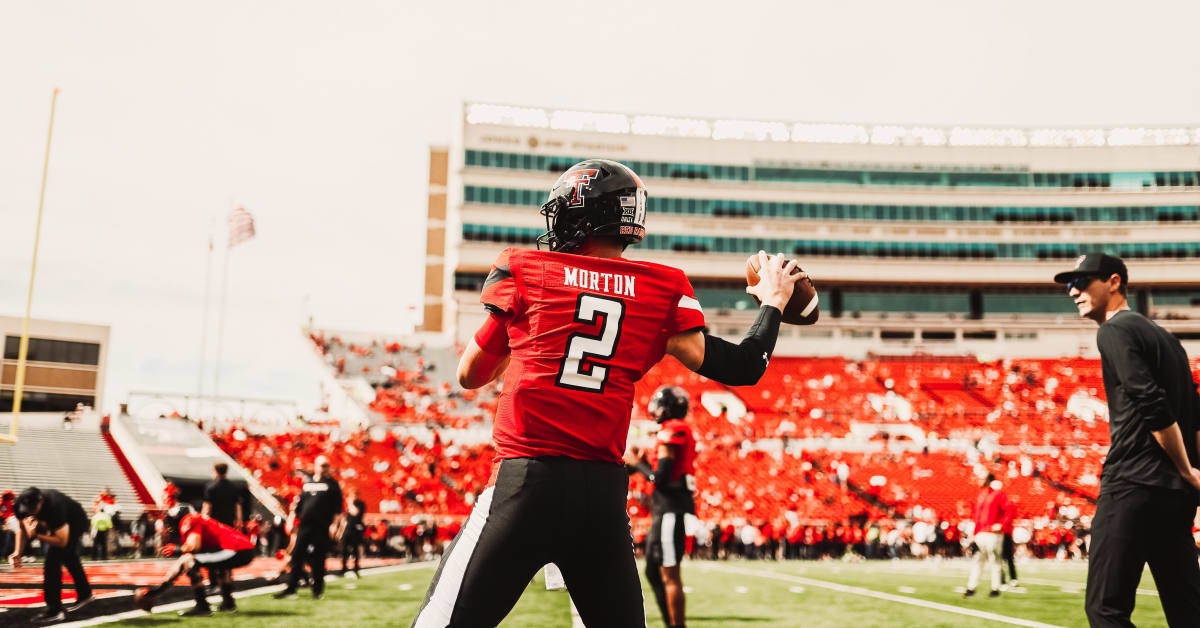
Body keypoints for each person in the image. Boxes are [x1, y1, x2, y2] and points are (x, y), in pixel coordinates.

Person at [411, 159, 801, 628]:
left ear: (578, 215)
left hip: (525, 485)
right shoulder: (662, 288)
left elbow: (470, 374)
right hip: (600, 501)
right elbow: (744, 366)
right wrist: (773, 303)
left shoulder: (525, 268)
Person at [1055, 253, 1200, 627]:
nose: (1073, 291)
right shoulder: (1170, 342)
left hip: (1133, 484)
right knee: (1189, 612)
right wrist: (1190, 474)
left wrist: (1187, 467)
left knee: (1106, 609)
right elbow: (1195, 416)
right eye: (1070, 285)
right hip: (1175, 496)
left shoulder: (1114, 330)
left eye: (1082, 282)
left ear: (1114, 282)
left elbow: (1150, 401)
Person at [626, 386, 697, 628]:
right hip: (665, 509)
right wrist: (642, 464)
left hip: (670, 509)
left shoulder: (673, 428)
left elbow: (661, 478)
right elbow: (660, 474)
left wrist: (638, 463)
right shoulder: (672, 429)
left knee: (669, 574)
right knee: (653, 572)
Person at [135, 510, 256, 616]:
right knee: (219, 566)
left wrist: (176, 549)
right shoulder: (197, 520)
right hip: (242, 549)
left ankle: (202, 606)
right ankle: (228, 603)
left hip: (236, 550)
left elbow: (193, 546)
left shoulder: (188, 521)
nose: (165, 531)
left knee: (189, 561)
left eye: (166, 527)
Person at [9, 488, 95, 624]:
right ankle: (85, 593)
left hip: (75, 521)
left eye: (33, 508)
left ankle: (54, 609)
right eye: (27, 509)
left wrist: (36, 535)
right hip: (57, 522)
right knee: (69, 557)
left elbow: (62, 541)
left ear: (41, 501)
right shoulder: (20, 504)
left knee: (52, 562)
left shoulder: (55, 507)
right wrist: (17, 552)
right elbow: (22, 528)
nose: (30, 512)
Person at [274, 455, 343, 600]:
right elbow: (298, 506)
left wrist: (334, 525)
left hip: (322, 526)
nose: (324, 468)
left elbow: (338, 509)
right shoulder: (308, 482)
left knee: (318, 559)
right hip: (304, 526)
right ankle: (291, 589)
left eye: (326, 465)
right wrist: (291, 520)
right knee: (296, 556)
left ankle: (317, 591)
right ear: (316, 466)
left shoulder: (333, 484)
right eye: (322, 465)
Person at [963, 474, 1012, 598]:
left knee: (995, 560)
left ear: (989, 480)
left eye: (982, 478)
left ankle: (995, 588)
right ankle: (971, 587)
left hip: (993, 533)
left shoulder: (998, 494)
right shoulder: (981, 495)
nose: (979, 480)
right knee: (977, 560)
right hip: (981, 533)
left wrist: (1001, 524)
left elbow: (1009, 510)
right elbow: (977, 517)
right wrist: (974, 535)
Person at [340, 491, 367, 577]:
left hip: (356, 529)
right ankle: (343, 568)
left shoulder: (360, 504)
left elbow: (355, 513)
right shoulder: (348, 505)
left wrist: (350, 503)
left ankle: (356, 568)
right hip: (348, 529)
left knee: (355, 549)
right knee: (344, 549)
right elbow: (345, 517)